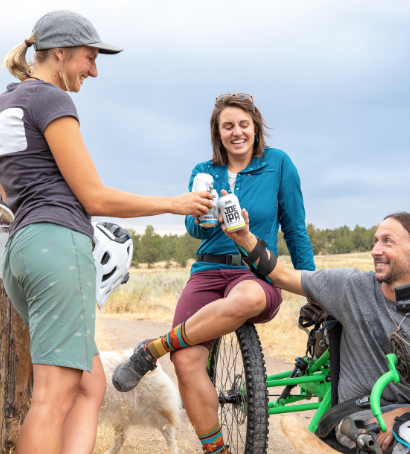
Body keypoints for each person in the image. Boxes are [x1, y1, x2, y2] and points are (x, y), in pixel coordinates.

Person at [0, 11, 212, 454]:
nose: (93, 69)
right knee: (53, 395)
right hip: (58, 246)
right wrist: (174, 204)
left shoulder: (0, 107)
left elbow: (7, 191)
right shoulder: (51, 100)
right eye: (89, 57)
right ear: (60, 53)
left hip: (22, 251)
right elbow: (94, 198)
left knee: (90, 384)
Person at [112, 94, 315, 454]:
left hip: (254, 270)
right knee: (187, 360)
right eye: (227, 126)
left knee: (250, 297)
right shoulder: (203, 171)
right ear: (217, 133)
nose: (236, 132)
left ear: (255, 127)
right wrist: (206, 220)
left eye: (243, 125)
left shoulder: (278, 164)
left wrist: (314, 288)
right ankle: (216, 450)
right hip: (208, 269)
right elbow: (193, 227)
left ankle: (154, 348)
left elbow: (295, 229)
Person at [221, 209, 410, 453]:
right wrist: (243, 236)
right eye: (375, 241)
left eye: (388, 242)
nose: (375, 251)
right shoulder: (351, 288)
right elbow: (281, 276)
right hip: (360, 413)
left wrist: (409, 412)